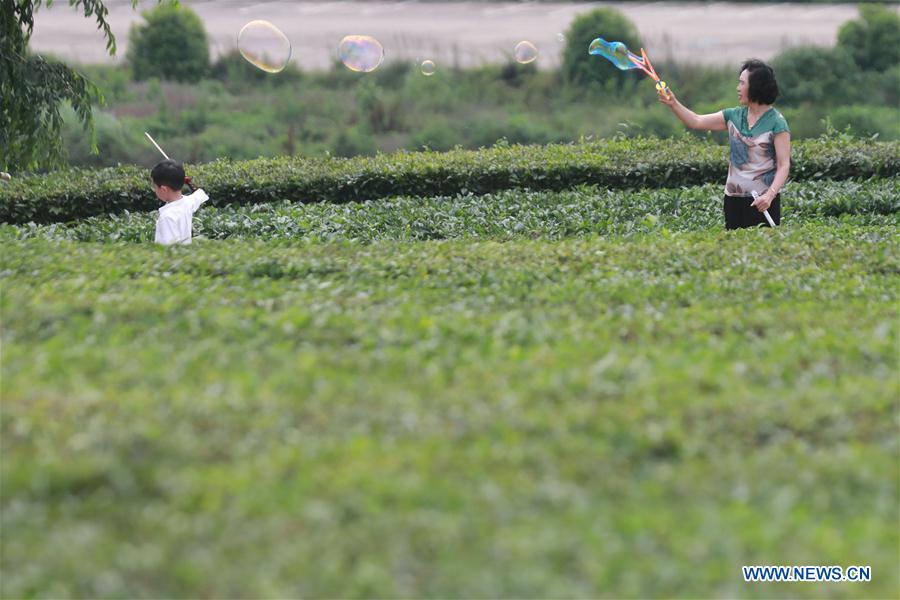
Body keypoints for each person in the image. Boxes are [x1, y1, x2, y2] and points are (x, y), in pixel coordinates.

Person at [659, 59, 790, 229]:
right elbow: (696, 121)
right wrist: (673, 103)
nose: (738, 87)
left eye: (742, 83)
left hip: (763, 202)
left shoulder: (777, 123)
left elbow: (784, 165)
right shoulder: (733, 116)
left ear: (756, 87)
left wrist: (770, 196)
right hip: (733, 199)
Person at [150, 159, 209, 244]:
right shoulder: (188, 202)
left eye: (155, 186)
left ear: (163, 189)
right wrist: (188, 182)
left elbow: (167, 250)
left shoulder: (167, 217)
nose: (154, 189)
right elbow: (200, 194)